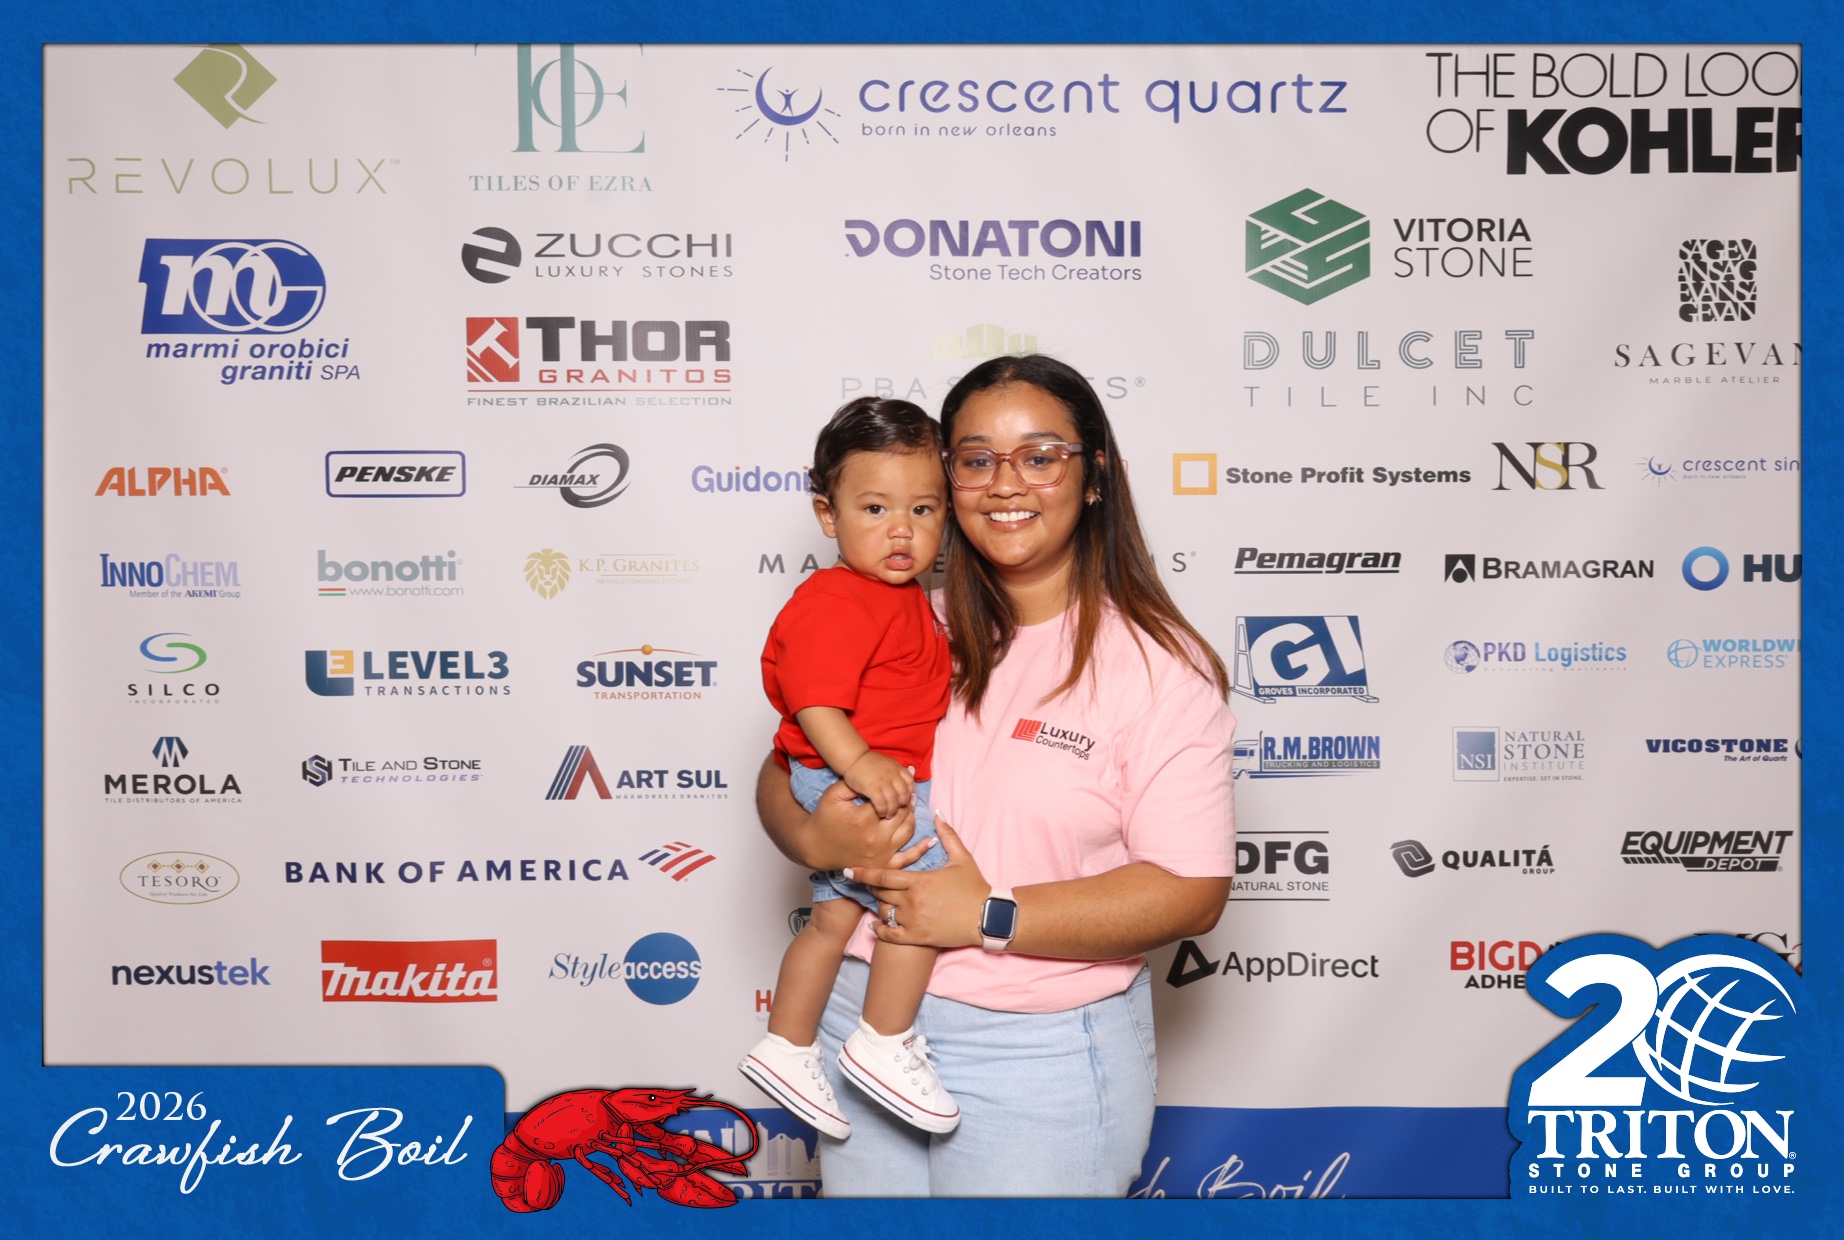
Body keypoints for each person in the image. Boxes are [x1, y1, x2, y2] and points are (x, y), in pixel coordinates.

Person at [753, 355, 1237, 1196]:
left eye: (1040, 456)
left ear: (1095, 477)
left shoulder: (1160, 669)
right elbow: (785, 762)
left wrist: (985, 914)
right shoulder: (907, 619)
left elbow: (1190, 893)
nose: (1005, 483)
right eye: (976, 459)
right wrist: (812, 835)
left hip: (1035, 1050)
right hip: (859, 1016)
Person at [741, 397, 962, 1142]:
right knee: (923, 900)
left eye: (923, 509)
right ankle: (883, 1041)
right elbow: (815, 704)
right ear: (827, 515)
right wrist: (863, 764)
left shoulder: (898, 599)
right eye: (874, 508)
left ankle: (786, 1044)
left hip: (855, 779)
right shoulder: (838, 600)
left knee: (834, 919)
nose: (902, 530)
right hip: (854, 782)